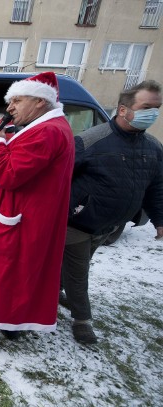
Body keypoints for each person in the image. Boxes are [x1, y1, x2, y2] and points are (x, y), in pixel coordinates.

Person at [0, 72, 75, 352]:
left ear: (41, 101)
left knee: (1, 273)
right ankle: (11, 325)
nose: (9, 108)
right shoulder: (49, 129)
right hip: (23, 217)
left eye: (17, 100)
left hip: (17, 220)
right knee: (17, 276)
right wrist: (6, 138)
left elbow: (8, 172)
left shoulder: (48, 132)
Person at [60, 80, 163, 344]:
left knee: (74, 268)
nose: (153, 113)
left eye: (157, 107)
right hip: (77, 222)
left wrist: (160, 219)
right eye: (146, 107)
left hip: (108, 226)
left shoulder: (153, 148)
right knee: (79, 272)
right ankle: (82, 321)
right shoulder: (90, 140)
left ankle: (55, 291)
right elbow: (59, 178)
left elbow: (156, 187)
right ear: (123, 109)